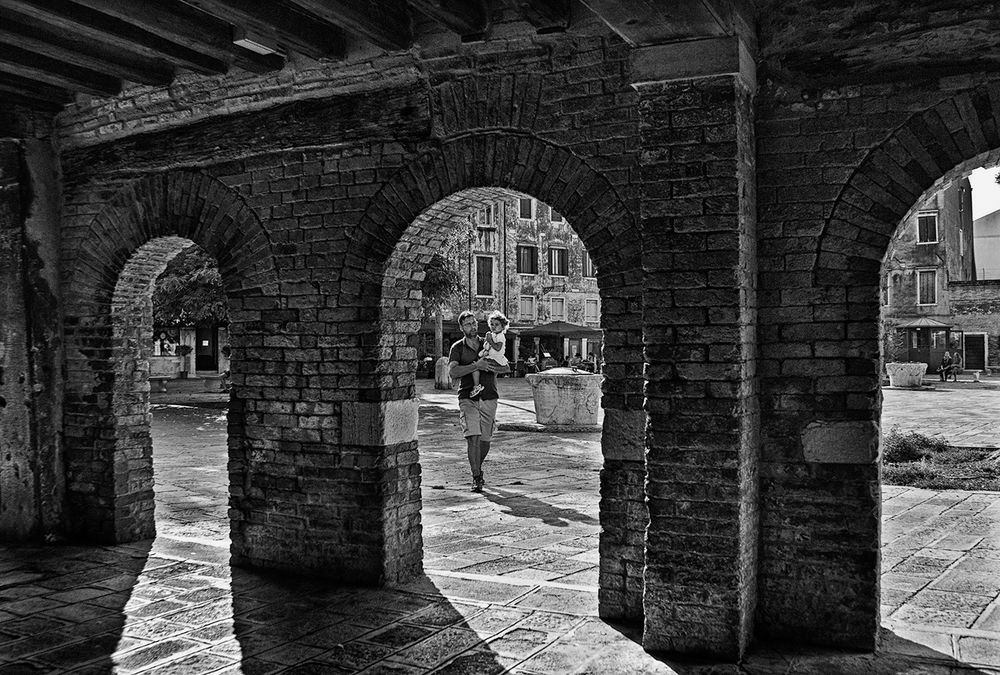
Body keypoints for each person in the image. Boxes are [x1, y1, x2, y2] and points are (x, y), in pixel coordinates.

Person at [449, 310, 504, 492]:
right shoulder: (457, 348)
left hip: (489, 396)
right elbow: (453, 373)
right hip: (467, 398)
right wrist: (476, 366)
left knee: (485, 441)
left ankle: (476, 466)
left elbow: (506, 367)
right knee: (473, 436)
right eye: (468, 324)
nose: (472, 326)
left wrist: (493, 364)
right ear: (461, 327)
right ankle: (476, 477)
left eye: (474, 323)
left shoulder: (489, 342)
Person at [470, 310, 510, 398]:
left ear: (502, 326)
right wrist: (487, 341)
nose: (494, 327)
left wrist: (490, 340)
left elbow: (497, 348)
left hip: (495, 359)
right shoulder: (493, 334)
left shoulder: (500, 336)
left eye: (497, 325)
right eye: (492, 324)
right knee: (492, 376)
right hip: (491, 357)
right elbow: (488, 347)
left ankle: (477, 386)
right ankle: (492, 391)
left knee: (475, 367)